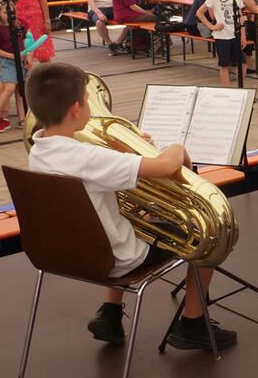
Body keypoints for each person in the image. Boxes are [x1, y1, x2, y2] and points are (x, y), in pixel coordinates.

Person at [25, 63, 237, 351]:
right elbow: (166, 165)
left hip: (65, 254)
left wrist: (128, 152)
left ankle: (110, 314)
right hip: (115, 259)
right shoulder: (91, 157)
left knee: (132, 215)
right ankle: (192, 322)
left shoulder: (38, 150)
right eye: (88, 102)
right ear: (76, 109)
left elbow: (96, 171)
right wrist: (177, 147)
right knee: (210, 233)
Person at [198, 0, 251, 86]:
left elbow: (240, 17)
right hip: (222, 36)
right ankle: (226, 89)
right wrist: (211, 26)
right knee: (224, 65)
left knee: (242, 63)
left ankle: (241, 86)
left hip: (235, 34)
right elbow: (200, 13)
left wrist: (243, 35)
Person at [0, 2, 32, 132]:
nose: (9, 15)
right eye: (5, 13)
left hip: (20, 60)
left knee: (20, 91)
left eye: (12, 12)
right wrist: (12, 56)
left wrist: (28, 56)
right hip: (7, 61)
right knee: (9, 88)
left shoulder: (20, 25)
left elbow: (29, 42)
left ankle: (22, 119)